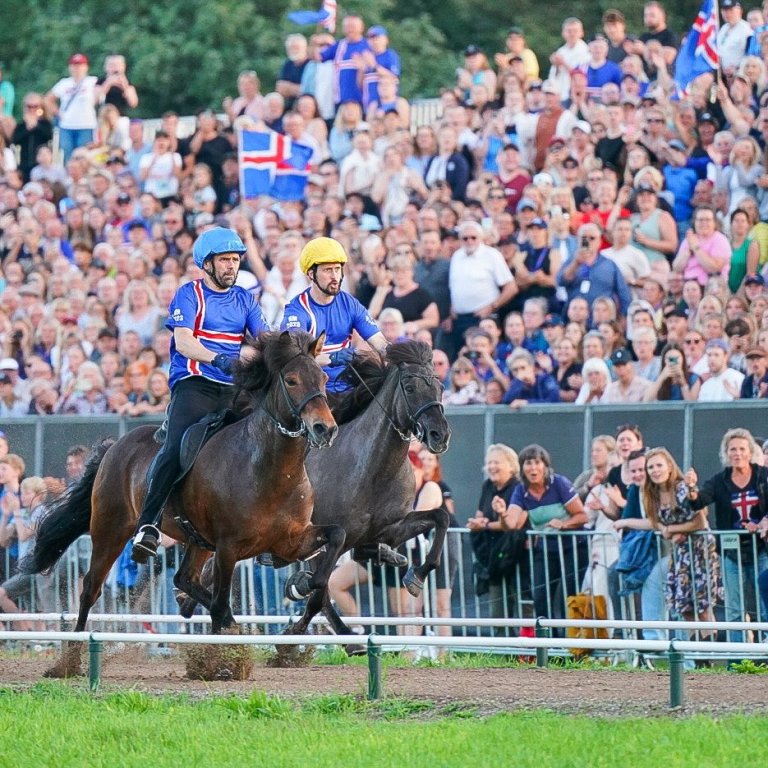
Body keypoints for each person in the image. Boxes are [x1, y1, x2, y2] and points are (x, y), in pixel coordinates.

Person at [130, 227, 270, 562]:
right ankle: (148, 524)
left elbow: (265, 341)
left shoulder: (246, 300)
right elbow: (184, 343)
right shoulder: (189, 294)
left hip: (234, 388)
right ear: (206, 264)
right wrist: (218, 358)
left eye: (235, 260)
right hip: (195, 384)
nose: (231, 266)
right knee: (175, 448)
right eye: (224, 260)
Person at [687, 429, 768, 643]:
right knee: (734, 608)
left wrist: (763, 521)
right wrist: (692, 488)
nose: (737, 453)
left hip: (761, 548)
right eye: (733, 449)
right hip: (732, 552)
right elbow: (699, 501)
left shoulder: (763, 476)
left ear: (750, 452)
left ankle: (764, 652)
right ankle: (738, 656)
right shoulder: (720, 481)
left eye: (742, 449)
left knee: (764, 604)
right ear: (726, 453)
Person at [281, 237, 388, 394]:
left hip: (349, 385)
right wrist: (333, 358)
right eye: (327, 270)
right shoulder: (297, 310)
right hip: (314, 390)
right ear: (311, 274)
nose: (335, 276)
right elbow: (295, 358)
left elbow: (378, 341)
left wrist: (396, 354)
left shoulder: (349, 303)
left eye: (337, 269)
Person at [502, 444, 588, 625]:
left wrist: (564, 524)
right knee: (541, 598)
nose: (533, 468)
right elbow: (511, 524)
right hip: (546, 548)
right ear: (522, 468)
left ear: (545, 466)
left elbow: (582, 516)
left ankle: (571, 640)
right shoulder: (521, 490)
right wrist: (502, 513)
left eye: (537, 462)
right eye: (528, 463)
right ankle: (548, 640)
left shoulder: (559, 483)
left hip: (573, 547)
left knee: (568, 596)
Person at [643, 447, 722, 634]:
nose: (655, 470)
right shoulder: (651, 494)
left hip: (700, 550)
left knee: (702, 607)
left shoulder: (682, 488)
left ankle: (711, 645)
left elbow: (700, 521)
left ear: (670, 467)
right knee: (684, 607)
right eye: (651, 467)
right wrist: (664, 529)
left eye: (659, 465)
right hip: (679, 553)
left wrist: (672, 529)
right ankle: (695, 649)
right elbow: (654, 520)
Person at [466, 444, 523, 621]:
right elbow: (480, 515)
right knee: (497, 610)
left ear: (511, 466)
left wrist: (486, 525)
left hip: (515, 554)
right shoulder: (487, 486)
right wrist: (477, 522)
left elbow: (514, 523)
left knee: (521, 604)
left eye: (497, 462)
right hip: (492, 556)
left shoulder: (518, 488)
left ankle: (526, 639)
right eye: (489, 463)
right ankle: (501, 638)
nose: (492, 466)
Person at [45, 53, 99, 161]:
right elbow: (48, 99)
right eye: (74, 65)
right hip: (67, 126)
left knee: (84, 157)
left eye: (80, 65)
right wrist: (57, 113)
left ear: (86, 67)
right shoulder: (64, 83)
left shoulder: (92, 81)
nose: (77, 68)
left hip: (86, 125)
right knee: (68, 157)